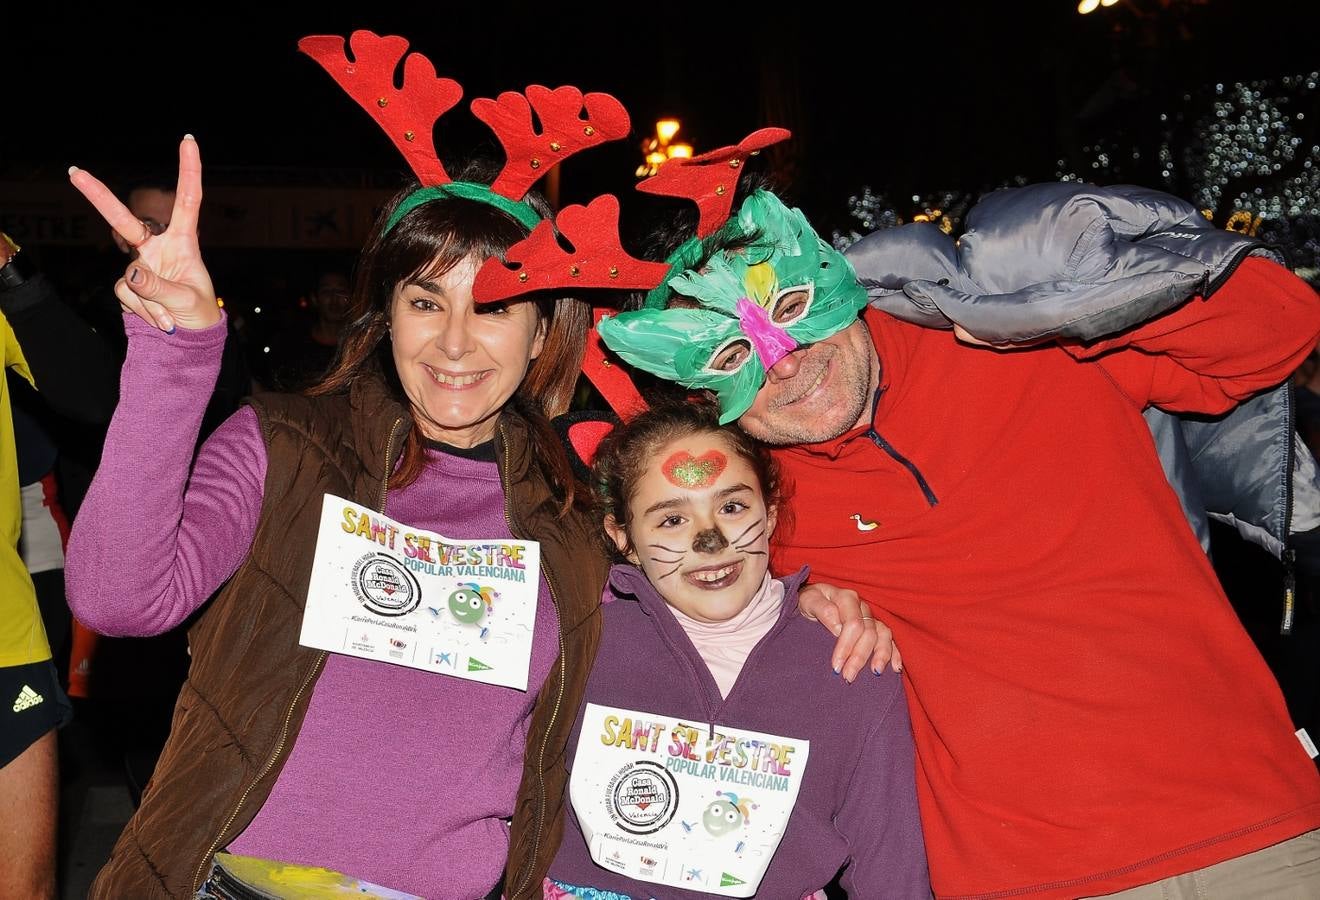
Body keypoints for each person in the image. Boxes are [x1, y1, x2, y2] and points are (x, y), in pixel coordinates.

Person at [483, 152, 1320, 896]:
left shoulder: (1018, 341)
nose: (786, 359)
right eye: (732, 354)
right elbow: (643, 610)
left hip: (1263, 829)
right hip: (1021, 876)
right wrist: (787, 604)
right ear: (697, 387)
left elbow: (1276, 332)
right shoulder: (758, 506)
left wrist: (1081, 290)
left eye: (794, 306)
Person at [63, 130, 607, 898]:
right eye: (425, 301)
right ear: (388, 315)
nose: (454, 342)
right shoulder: (285, 446)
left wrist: (813, 606)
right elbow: (116, 599)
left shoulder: (584, 520)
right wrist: (173, 355)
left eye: (493, 307)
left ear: (543, 328)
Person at [544, 399, 929, 898]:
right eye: (670, 520)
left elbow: (889, 863)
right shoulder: (580, 645)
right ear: (624, 538)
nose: (711, 541)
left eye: (731, 507)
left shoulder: (852, 664)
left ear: (769, 517)